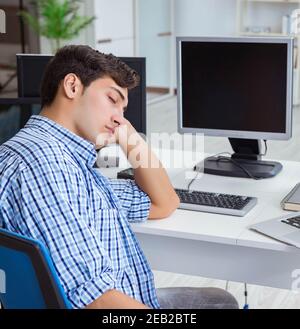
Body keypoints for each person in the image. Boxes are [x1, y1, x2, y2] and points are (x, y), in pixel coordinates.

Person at [0, 45, 238, 309]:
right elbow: (97, 300)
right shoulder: (44, 165)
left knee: (219, 301)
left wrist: (127, 133)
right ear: (72, 86)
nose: (119, 118)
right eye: (112, 99)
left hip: (127, 296)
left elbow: (164, 202)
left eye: (124, 110)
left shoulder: (71, 163)